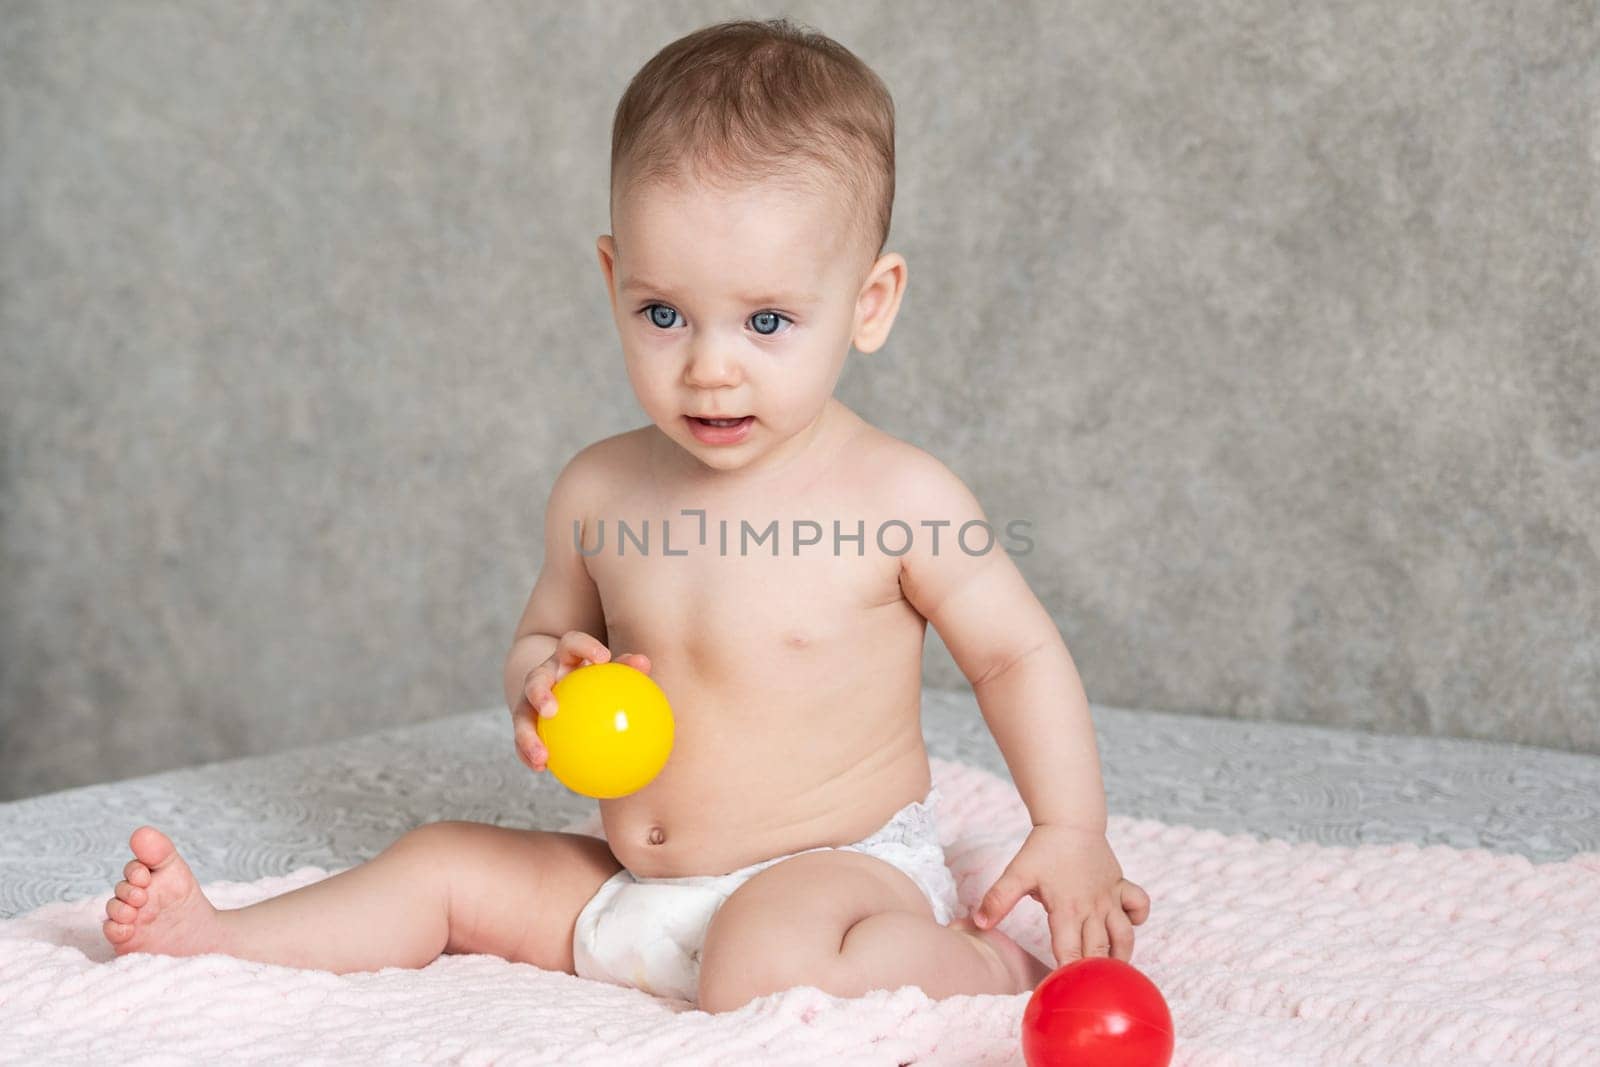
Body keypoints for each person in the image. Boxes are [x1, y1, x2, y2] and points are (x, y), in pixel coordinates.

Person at [101, 16, 1150, 1013]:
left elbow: (1014, 655)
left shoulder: (899, 498)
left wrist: (1069, 826)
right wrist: (546, 683)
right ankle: (223, 941)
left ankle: (984, 965)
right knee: (441, 862)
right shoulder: (598, 490)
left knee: (762, 954)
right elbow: (538, 641)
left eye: (769, 319)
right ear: (614, 280)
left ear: (868, 303)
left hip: (832, 877)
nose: (709, 366)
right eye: (663, 313)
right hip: (630, 885)